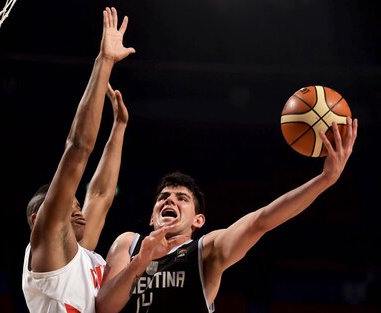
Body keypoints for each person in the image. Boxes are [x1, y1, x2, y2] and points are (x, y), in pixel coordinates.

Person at [95, 117, 358, 313]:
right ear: (152, 217)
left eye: (182, 198)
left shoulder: (205, 250)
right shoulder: (128, 244)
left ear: (198, 220)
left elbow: (260, 221)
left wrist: (325, 180)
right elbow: (105, 307)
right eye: (164, 197)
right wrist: (140, 261)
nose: (170, 200)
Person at [22, 7, 135, 313]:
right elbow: (78, 147)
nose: (79, 211)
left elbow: (99, 195)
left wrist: (119, 128)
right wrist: (105, 62)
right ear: (38, 220)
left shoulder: (81, 255)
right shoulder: (47, 243)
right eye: (69, 208)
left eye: (76, 205)